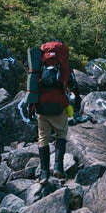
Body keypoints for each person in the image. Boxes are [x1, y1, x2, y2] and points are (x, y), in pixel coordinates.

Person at [25, 41, 81, 184]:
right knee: (61, 134)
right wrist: (77, 101)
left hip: (41, 107)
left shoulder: (39, 65)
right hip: (58, 105)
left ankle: (44, 174)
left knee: (43, 138)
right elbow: (72, 84)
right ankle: (58, 167)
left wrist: (31, 106)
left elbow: (32, 85)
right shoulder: (63, 66)